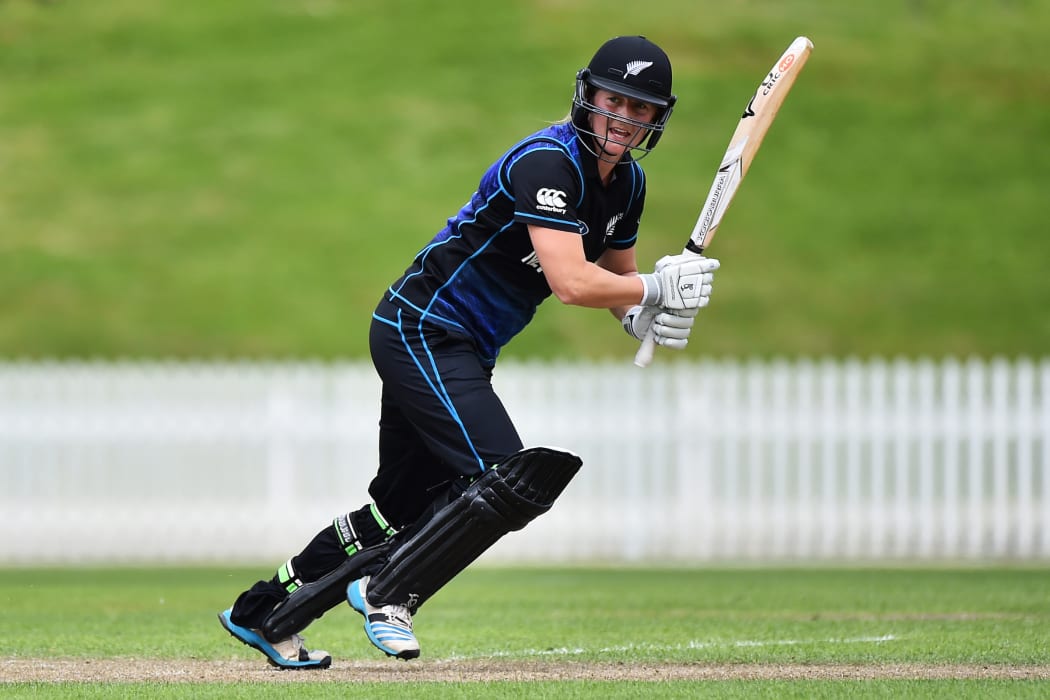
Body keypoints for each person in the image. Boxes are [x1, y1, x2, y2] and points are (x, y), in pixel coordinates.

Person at [217, 34, 719, 669]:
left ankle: (263, 612)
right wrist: (654, 288)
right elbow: (571, 282)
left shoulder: (628, 184)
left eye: (640, 108)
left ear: (657, 118)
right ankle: (388, 593)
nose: (623, 118)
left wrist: (642, 315)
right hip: (423, 328)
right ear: (586, 96)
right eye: (612, 101)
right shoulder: (547, 165)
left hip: (459, 345)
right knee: (507, 476)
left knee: (399, 510)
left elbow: (615, 277)